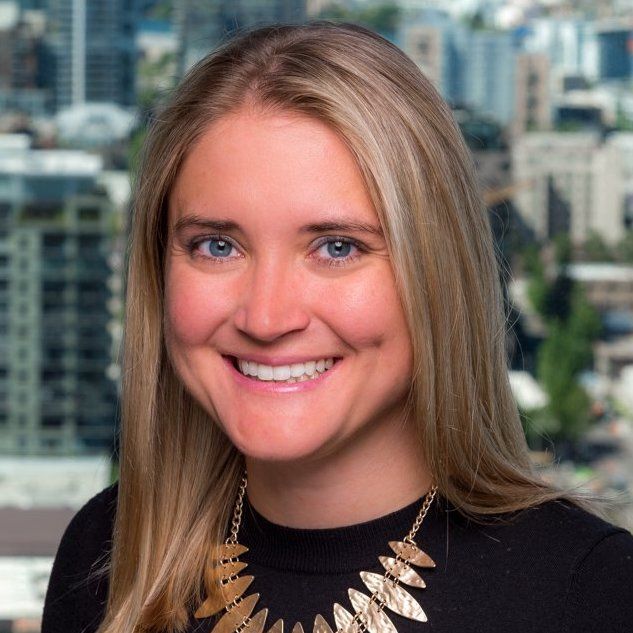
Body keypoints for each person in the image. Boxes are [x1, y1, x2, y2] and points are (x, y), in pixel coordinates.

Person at [42, 21, 633, 633]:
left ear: (438, 271)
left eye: (337, 248)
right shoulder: (108, 553)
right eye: (217, 246)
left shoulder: (593, 594)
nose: (265, 318)